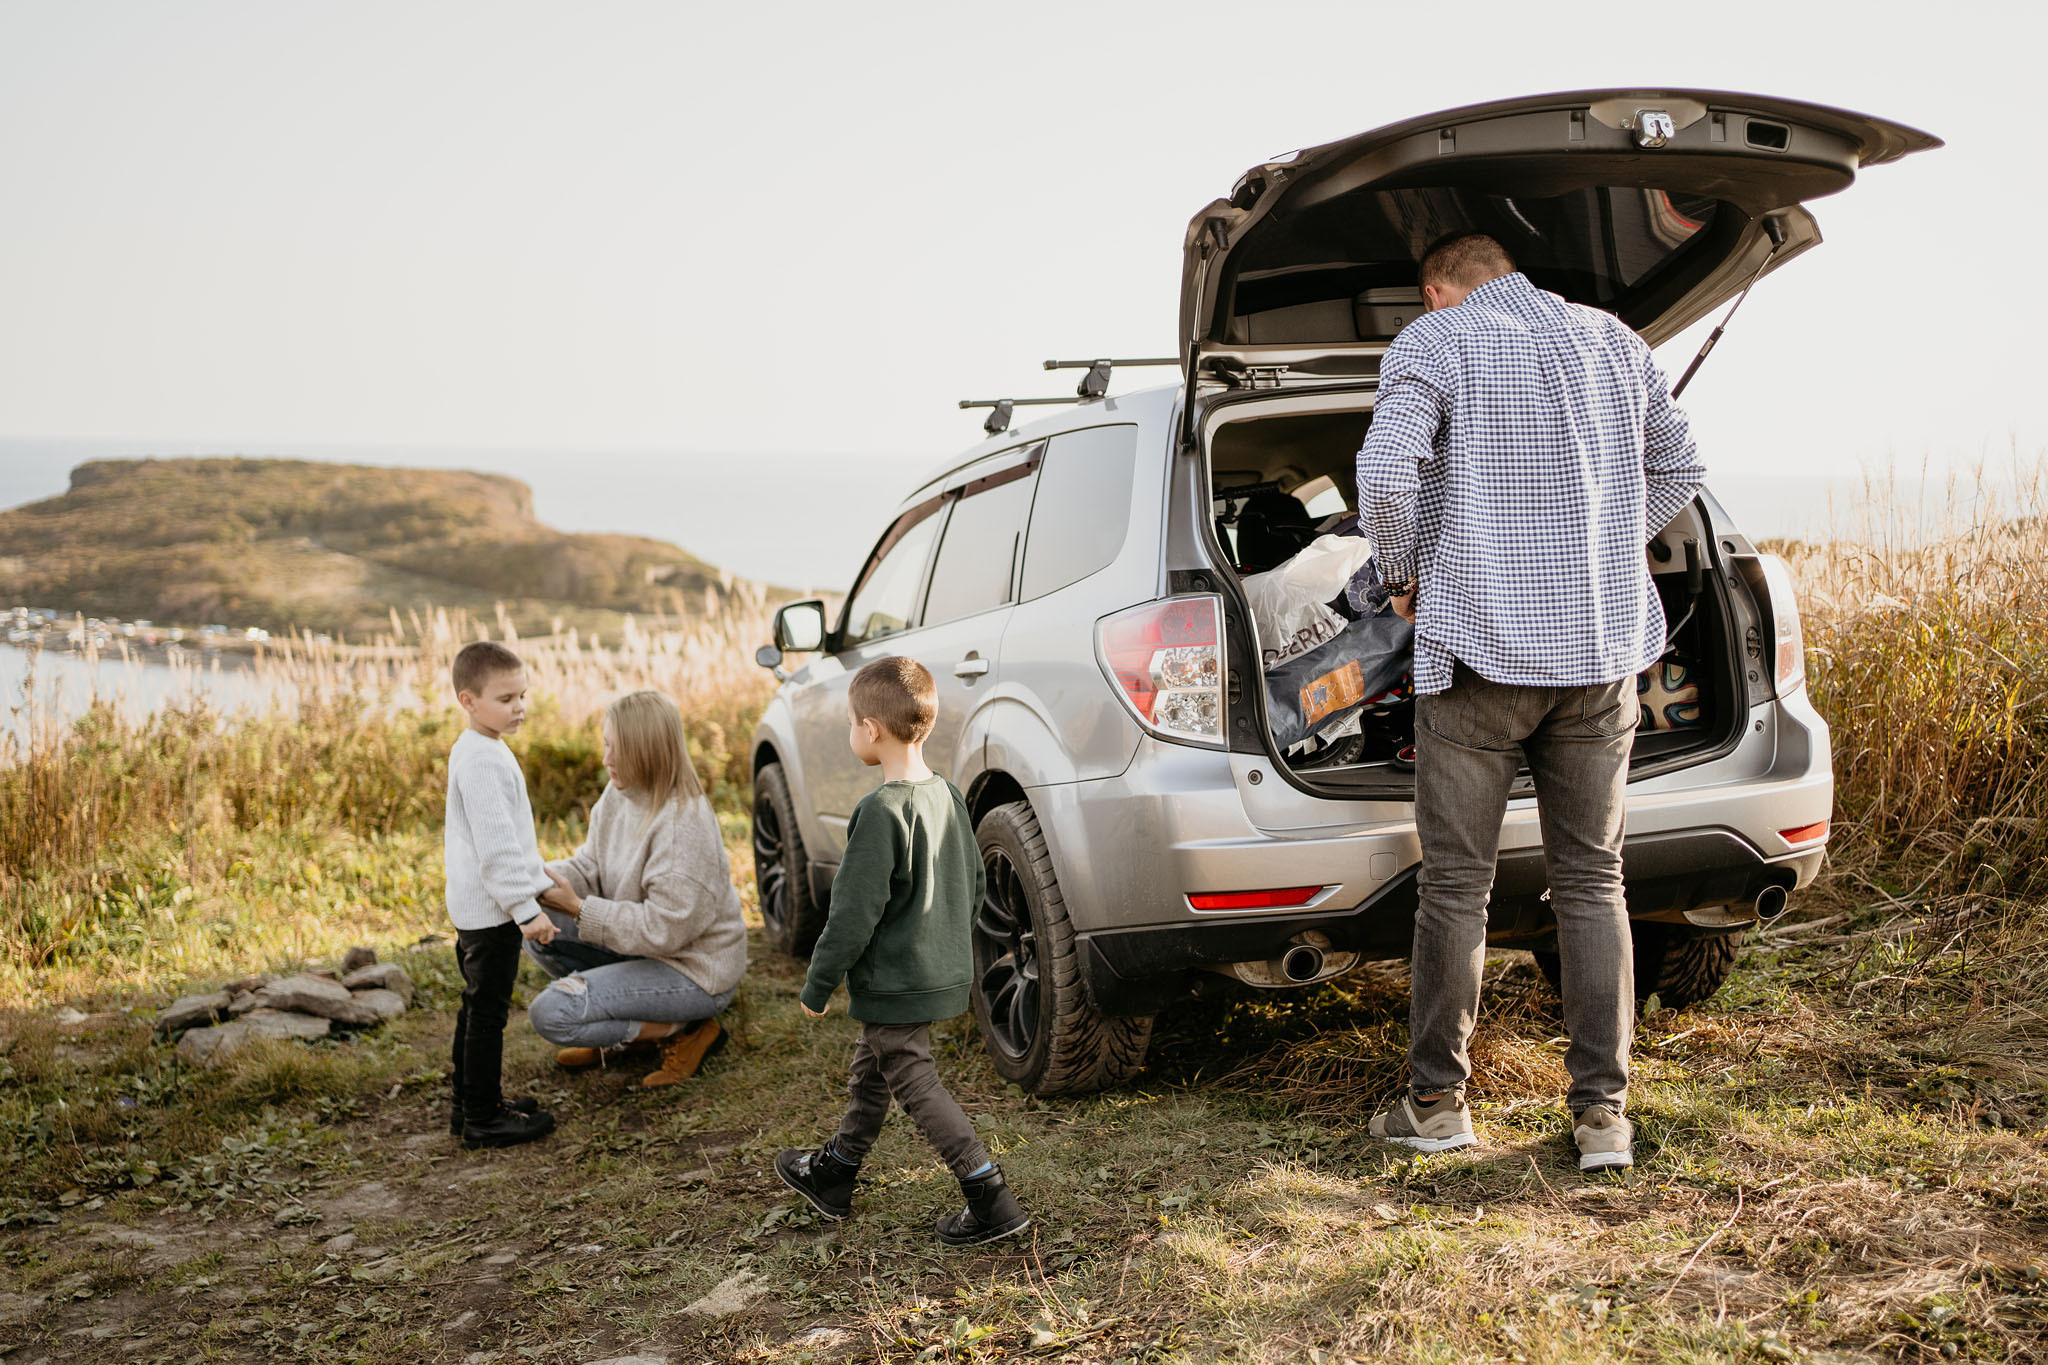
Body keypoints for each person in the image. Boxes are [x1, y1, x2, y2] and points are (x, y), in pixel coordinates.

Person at [1355, 231, 1705, 1172]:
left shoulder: (1437, 341)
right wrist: (1597, 536)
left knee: (1456, 886)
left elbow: (1385, 475)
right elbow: (1680, 469)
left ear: (1439, 288)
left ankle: (1435, 1105)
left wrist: (1403, 575)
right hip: (1599, 656)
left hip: (1480, 655)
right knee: (1595, 879)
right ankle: (1602, 1120)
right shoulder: (1614, 340)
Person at [773, 656, 1031, 1247]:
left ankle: (989, 1195)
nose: (849, 733)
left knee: (913, 1081)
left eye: (848, 723)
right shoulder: (947, 795)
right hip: (936, 970)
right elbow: (975, 885)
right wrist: (949, 946)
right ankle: (836, 1173)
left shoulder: (879, 813)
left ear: (871, 730)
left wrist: (818, 984)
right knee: (876, 1063)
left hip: (895, 978)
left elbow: (851, 916)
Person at [524, 689, 748, 1087]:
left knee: (553, 1013)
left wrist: (577, 908)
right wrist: (538, 880)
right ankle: (627, 1023)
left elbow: (664, 931)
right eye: (606, 745)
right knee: (536, 927)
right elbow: (592, 864)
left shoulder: (682, 828)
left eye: (616, 749)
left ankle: (684, 1027)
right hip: (646, 948)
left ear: (645, 752)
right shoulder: (621, 791)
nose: (606, 758)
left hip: (692, 971)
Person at [444, 640, 559, 1149]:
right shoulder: (482, 760)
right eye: (506, 699)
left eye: (523, 696)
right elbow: (496, 848)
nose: (519, 708)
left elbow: (507, 839)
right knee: (486, 1014)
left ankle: (468, 1106)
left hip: (481, 907)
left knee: (476, 1009)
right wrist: (525, 909)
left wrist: (539, 878)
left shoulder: (480, 748)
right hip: (491, 912)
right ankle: (482, 1118)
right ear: (468, 700)